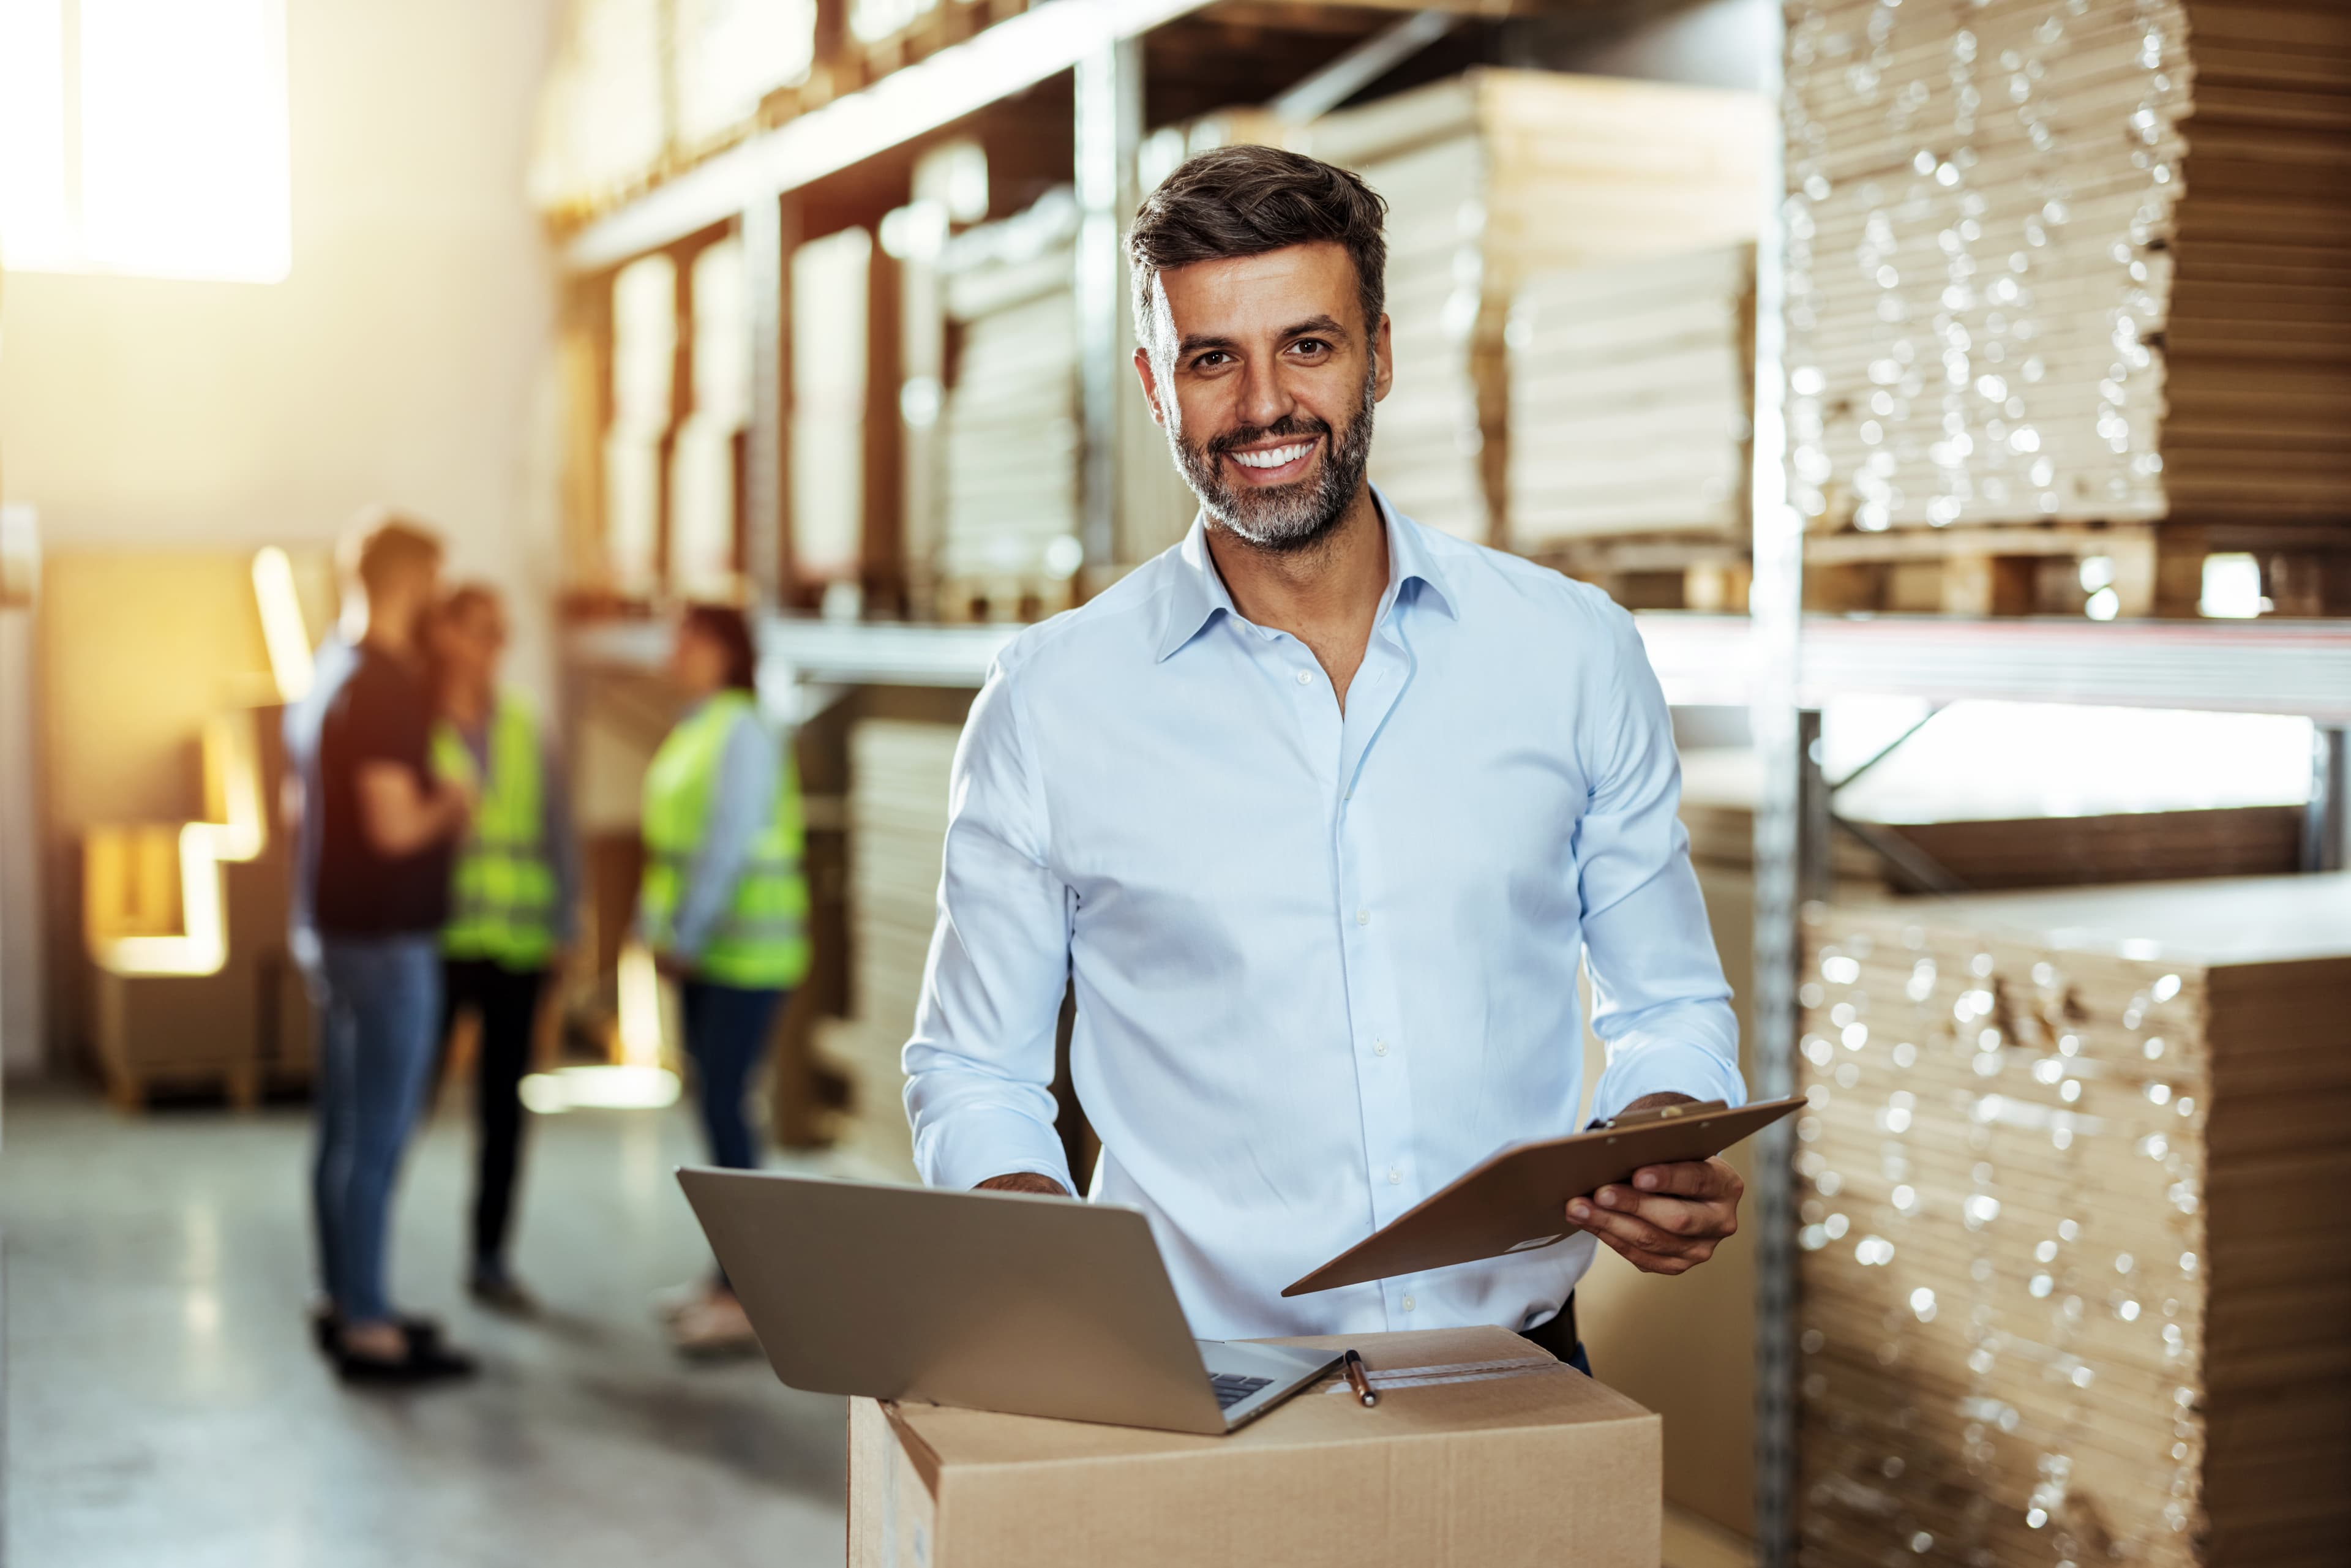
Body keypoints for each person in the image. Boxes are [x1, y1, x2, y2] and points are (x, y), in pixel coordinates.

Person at [902, 148, 1748, 1368]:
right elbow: (974, 1064)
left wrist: (1665, 1126)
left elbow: (1666, 998)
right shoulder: (1051, 699)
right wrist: (1032, 1241)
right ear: (1155, 385)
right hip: (1199, 1381)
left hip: (1514, 1367)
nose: (1262, 408)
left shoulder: (1570, 651)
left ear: (1381, 355)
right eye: (1212, 359)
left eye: (1309, 345)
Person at [294, 511, 478, 1382]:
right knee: (378, 1138)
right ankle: (369, 1324)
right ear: (410, 581)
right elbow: (395, 822)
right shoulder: (384, 688)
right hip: (386, 942)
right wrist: (456, 799)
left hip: (333, 931)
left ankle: (346, 1297)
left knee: (341, 1132)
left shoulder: (329, 669)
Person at [638, 604, 812, 1354]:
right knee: (712, 1113)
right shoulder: (700, 722)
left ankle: (750, 1292)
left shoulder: (740, 727)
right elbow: (671, 847)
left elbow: (727, 845)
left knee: (728, 1111)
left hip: (744, 954)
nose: (671, 651)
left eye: (684, 639)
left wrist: (684, 932)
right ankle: (724, 1276)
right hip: (707, 953)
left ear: (720, 649)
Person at [425, 583, 579, 1312]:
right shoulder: (418, 724)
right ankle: (365, 1270)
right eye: (481, 629)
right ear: (446, 634)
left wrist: (567, 923)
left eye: (502, 632)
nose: (494, 645)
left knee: (503, 1111)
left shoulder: (522, 724)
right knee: (410, 1099)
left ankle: (489, 1255)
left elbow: (557, 829)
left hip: (517, 944)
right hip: (440, 942)